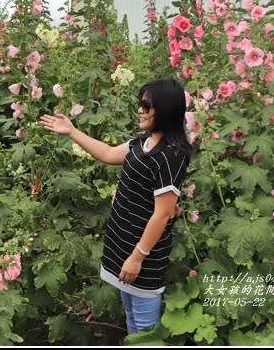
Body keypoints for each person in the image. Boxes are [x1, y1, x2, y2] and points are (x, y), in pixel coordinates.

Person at [40, 78, 192, 335]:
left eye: (146, 105)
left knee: (144, 332)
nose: (140, 110)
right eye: (140, 103)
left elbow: (163, 213)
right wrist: (72, 131)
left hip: (142, 259)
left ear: (165, 109)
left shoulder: (171, 155)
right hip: (124, 251)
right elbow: (108, 154)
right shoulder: (141, 144)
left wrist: (136, 258)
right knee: (132, 320)